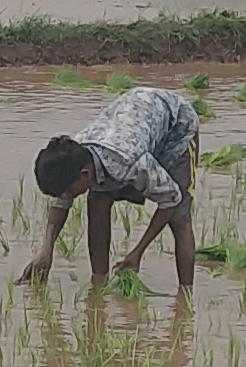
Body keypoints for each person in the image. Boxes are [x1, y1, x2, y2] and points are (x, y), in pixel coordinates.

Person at [19, 85, 199, 290]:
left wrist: (137, 252)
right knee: (97, 199)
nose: (67, 196)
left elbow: (171, 199)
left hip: (176, 128)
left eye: (69, 192)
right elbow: (60, 203)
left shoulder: (129, 162)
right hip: (133, 119)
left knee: (179, 218)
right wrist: (46, 251)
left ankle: (186, 297)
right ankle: (99, 283)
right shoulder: (71, 156)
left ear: (84, 174)